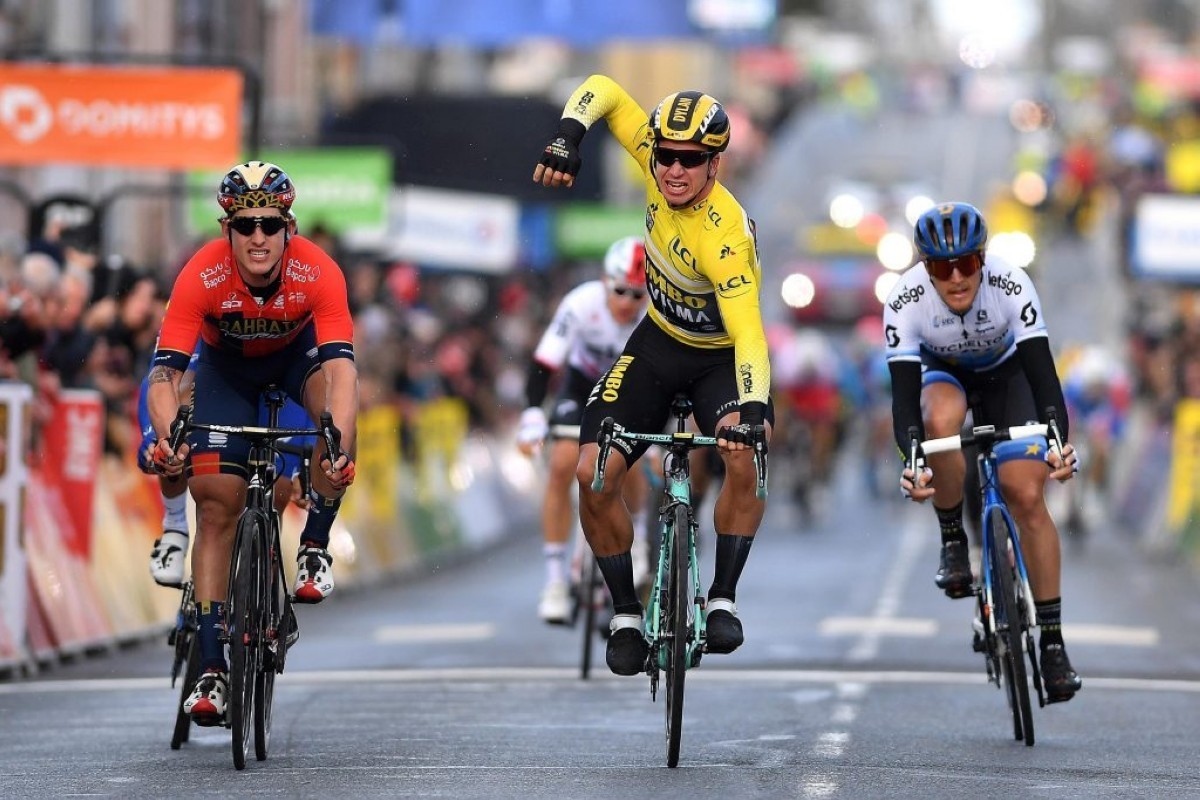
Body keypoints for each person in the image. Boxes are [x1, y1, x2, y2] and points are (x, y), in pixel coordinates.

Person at [533, 76, 772, 676]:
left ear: (715, 164)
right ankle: (624, 613)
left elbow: (748, 334)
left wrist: (756, 409)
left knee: (744, 462)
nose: (673, 170)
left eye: (691, 160)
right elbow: (605, 89)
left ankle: (722, 597)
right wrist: (569, 135)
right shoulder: (657, 156)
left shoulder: (722, 237)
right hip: (659, 343)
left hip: (719, 357)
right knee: (592, 472)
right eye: (665, 156)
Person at [147, 161, 358, 725]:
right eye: (246, 226)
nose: (258, 237)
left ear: (289, 226)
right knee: (216, 504)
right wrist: (170, 439)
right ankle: (213, 668)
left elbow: (341, 372)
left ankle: (314, 544)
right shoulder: (201, 274)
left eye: (270, 224)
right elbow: (164, 376)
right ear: (227, 230)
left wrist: (336, 443)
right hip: (226, 374)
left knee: (337, 423)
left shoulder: (319, 272)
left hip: (297, 364)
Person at [884, 201, 1083, 703]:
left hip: (1008, 376)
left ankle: (1054, 644)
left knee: (1027, 496)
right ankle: (954, 538)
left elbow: (1043, 377)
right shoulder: (905, 299)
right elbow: (905, 400)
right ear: (924, 269)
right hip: (943, 375)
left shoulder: (1012, 284)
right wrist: (914, 462)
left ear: (983, 259)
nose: (955, 278)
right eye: (940, 267)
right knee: (940, 420)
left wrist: (1059, 443)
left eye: (966, 264)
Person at [516, 236, 651, 623]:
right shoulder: (581, 303)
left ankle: (638, 541)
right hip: (581, 384)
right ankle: (556, 580)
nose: (627, 302)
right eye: (620, 291)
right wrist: (531, 414)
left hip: (629, 392)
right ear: (605, 282)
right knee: (561, 464)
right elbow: (544, 363)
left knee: (635, 461)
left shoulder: (653, 314)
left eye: (637, 295)